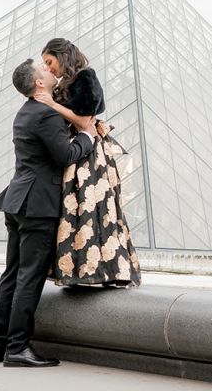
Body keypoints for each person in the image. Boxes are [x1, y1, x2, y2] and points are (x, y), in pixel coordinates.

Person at [0, 59, 96, 367]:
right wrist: (87, 136)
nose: (51, 71)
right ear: (38, 84)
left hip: (17, 201)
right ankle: (18, 348)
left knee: (11, 274)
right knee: (29, 278)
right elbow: (65, 156)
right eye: (45, 70)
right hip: (38, 205)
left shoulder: (24, 113)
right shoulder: (46, 115)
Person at [36, 38, 141, 288]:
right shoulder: (71, 80)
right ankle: (84, 271)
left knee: (91, 209)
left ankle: (101, 271)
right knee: (79, 210)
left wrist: (51, 104)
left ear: (63, 56)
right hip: (79, 152)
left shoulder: (85, 77)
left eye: (49, 62)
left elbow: (85, 122)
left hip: (89, 157)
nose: (48, 68)